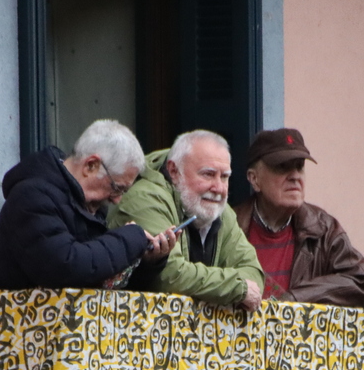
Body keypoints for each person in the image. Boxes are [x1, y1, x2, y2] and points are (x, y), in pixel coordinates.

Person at [0, 119, 176, 291]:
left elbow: (101, 282)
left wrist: (148, 262)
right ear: (90, 165)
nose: (117, 200)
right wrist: (129, 239)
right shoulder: (31, 196)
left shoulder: (89, 206)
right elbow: (65, 267)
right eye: (117, 188)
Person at [106, 130, 265, 312]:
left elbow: (253, 274)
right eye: (208, 174)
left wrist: (233, 286)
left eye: (224, 177)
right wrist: (237, 287)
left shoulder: (218, 210)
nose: (219, 188)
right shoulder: (145, 198)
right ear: (174, 171)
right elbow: (170, 276)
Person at [231, 128, 364, 307]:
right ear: (254, 179)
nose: (295, 176)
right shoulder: (229, 227)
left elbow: (359, 282)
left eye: (299, 167)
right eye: (282, 167)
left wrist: (295, 299)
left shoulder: (323, 228)